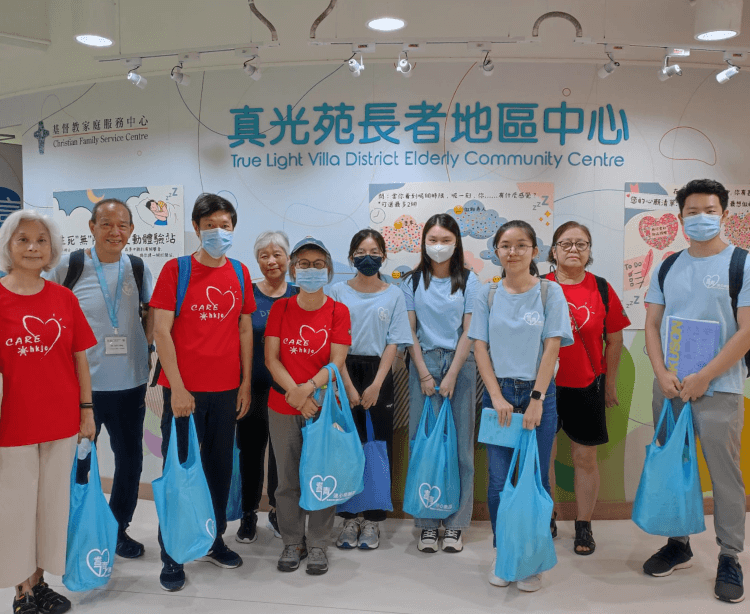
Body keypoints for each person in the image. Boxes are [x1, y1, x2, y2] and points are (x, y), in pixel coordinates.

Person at [643, 179, 748, 604]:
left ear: (724, 214)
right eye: (692, 212)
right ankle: (678, 543)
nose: (700, 218)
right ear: (680, 217)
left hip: (720, 388)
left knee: (725, 476)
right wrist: (660, 371)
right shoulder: (668, 265)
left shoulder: (742, 263)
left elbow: (746, 332)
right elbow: (652, 324)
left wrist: (705, 376)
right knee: (674, 467)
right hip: (670, 387)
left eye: (709, 210)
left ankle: (730, 555)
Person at [150, 193, 255, 592]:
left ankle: (213, 539)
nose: (217, 232)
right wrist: (177, 388)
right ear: (196, 228)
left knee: (218, 470)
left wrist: (245, 382)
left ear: (233, 228)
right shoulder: (176, 270)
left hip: (226, 391)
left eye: (224, 225)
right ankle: (173, 554)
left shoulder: (240, 272)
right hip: (185, 393)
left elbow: (244, 328)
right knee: (179, 473)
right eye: (209, 225)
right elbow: (161, 331)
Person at [0, 210, 97, 614]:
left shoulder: (64, 298)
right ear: (8, 246)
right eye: (23, 239)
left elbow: (80, 359)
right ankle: (21, 591)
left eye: (41, 240)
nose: (33, 247)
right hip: (12, 426)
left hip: (61, 422)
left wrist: (87, 411)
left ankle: (40, 583)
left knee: (51, 510)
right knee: (17, 512)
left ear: (52, 248)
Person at [47, 198, 155, 559]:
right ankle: (77, 531)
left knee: (130, 461)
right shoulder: (70, 266)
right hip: (84, 390)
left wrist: (146, 347)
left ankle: (117, 529)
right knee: (78, 463)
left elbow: (151, 313)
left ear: (131, 230)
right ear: (92, 227)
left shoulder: (138, 267)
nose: (115, 231)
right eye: (106, 224)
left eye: (122, 225)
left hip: (130, 385)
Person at [469, 220, 573, 592]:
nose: (513, 252)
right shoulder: (486, 293)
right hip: (497, 394)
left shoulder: (549, 292)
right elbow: (479, 346)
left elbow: (552, 346)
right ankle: (504, 552)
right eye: (505, 245)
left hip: (538, 394)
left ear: (534, 250)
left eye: (521, 245)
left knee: (535, 479)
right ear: (496, 251)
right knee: (498, 481)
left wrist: (536, 400)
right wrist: (496, 396)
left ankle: (531, 557)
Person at [265, 236, 351, 576]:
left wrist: (309, 390)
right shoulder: (281, 309)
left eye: (318, 264)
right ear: (293, 270)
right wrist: (296, 394)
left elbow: (337, 361)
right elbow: (272, 359)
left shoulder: (338, 311)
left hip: (322, 406)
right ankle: (292, 541)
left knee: (321, 477)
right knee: (287, 480)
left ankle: (317, 544)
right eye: (304, 264)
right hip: (284, 405)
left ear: (328, 270)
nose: (311, 270)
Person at [545, 221, 630, 555]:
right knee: (544, 456)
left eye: (581, 244)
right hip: (545, 387)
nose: (574, 249)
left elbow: (615, 339)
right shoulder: (539, 287)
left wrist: (609, 384)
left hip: (587, 385)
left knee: (585, 457)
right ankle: (547, 515)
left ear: (590, 251)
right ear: (553, 251)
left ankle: (584, 525)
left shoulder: (602, 288)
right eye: (566, 243)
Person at [328, 229, 413, 550]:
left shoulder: (394, 294)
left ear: (384, 257)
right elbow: (334, 343)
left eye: (375, 252)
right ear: (351, 257)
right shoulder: (337, 291)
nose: (368, 257)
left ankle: (373, 520)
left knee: (378, 445)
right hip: (343, 370)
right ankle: (349, 518)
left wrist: (377, 384)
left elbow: (394, 342)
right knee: (347, 445)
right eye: (361, 252)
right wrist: (348, 387)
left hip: (380, 374)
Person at [402, 213, 479, 554]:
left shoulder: (470, 281)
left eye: (446, 240)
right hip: (424, 363)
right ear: (423, 243)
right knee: (423, 445)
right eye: (432, 240)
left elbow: (470, 331)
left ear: (456, 243)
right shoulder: (411, 281)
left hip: (461, 366)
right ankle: (427, 524)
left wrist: (451, 374)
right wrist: (423, 372)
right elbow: (409, 331)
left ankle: (456, 524)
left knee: (461, 449)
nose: (438, 246)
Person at [235, 231, 298, 544]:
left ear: (288, 258)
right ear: (257, 260)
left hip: (288, 390)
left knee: (282, 455)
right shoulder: (246, 293)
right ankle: (248, 512)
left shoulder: (300, 295)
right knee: (250, 452)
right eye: (264, 255)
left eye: (277, 254)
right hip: (252, 387)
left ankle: (276, 510)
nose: (271, 261)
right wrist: (240, 385)